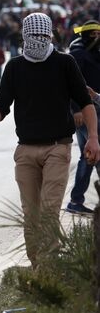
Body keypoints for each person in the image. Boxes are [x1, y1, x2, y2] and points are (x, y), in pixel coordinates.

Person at [0, 13, 100, 268]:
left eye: (43, 36)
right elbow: (2, 104)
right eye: (33, 36)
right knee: (31, 214)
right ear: (24, 36)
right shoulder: (15, 66)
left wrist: (93, 138)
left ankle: (49, 267)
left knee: (48, 212)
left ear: (50, 36)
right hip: (25, 151)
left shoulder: (64, 63)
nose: (38, 40)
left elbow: (85, 102)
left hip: (58, 148)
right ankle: (37, 266)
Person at [65, 20, 100, 215]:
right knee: (95, 153)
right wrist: (76, 109)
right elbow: (71, 85)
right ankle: (76, 200)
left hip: (95, 111)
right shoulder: (78, 55)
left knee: (88, 157)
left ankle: (76, 201)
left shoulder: (94, 54)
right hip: (84, 113)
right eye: (95, 34)